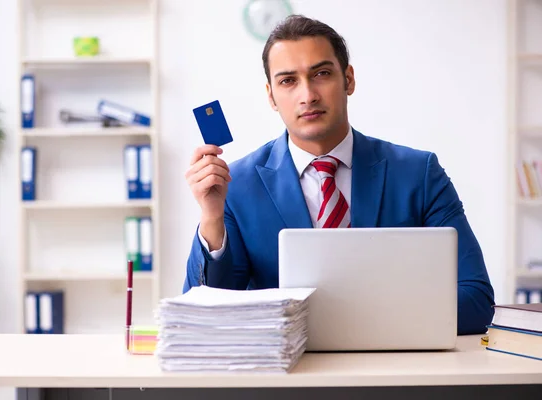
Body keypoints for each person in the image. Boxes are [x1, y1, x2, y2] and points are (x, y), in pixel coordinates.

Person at [183, 14, 494, 335]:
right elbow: (206, 319)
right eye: (288, 81)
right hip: (286, 377)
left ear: (348, 80)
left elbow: (476, 301)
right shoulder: (238, 185)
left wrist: (357, 320)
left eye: (321, 74)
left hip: (394, 371)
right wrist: (211, 217)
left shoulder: (419, 174)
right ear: (271, 96)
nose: (308, 95)